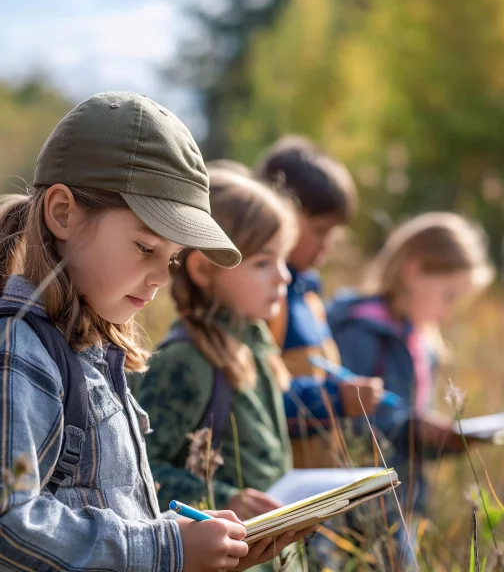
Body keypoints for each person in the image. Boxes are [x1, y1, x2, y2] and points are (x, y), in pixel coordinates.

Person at [0, 92, 306, 572]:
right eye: (145, 247)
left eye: (172, 257)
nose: (162, 277)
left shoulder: (93, 353)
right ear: (63, 213)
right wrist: (166, 550)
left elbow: (102, 510)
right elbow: (8, 523)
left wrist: (195, 543)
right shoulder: (20, 352)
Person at [138, 167, 350, 570]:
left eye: (283, 259)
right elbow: (138, 472)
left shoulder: (255, 347)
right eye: (262, 263)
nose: (284, 276)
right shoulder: (185, 361)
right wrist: (222, 497)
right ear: (204, 270)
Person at [327, 212, 495, 559]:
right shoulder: (360, 332)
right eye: (447, 296)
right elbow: (348, 419)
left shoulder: (421, 340)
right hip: (361, 504)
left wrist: (443, 440)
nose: (448, 313)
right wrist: (412, 428)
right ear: (413, 271)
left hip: (405, 499)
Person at [256, 135, 384, 469]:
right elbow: (255, 400)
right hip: (281, 492)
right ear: (278, 213)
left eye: (335, 234)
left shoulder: (311, 298)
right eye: (319, 229)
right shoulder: (265, 300)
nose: (327, 245)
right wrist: (334, 399)